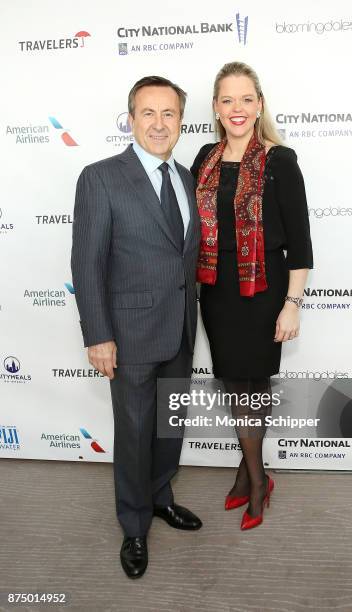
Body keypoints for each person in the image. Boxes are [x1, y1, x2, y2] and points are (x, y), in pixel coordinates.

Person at [71, 75, 202, 579]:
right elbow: (87, 263)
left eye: (169, 114)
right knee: (132, 433)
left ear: (180, 122)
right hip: (127, 334)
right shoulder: (100, 177)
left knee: (169, 427)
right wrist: (97, 335)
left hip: (180, 330)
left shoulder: (186, 177)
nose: (159, 124)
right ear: (130, 119)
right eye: (148, 113)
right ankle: (133, 525)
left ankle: (161, 497)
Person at [191, 62, 313, 530]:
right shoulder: (205, 156)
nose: (237, 109)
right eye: (227, 100)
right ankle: (248, 470)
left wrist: (292, 303)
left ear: (259, 104)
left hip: (264, 291)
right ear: (216, 109)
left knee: (252, 386)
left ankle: (258, 482)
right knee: (233, 382)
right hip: (217, 292)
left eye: (246, 99)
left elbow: (300, 243)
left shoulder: (280, 161)